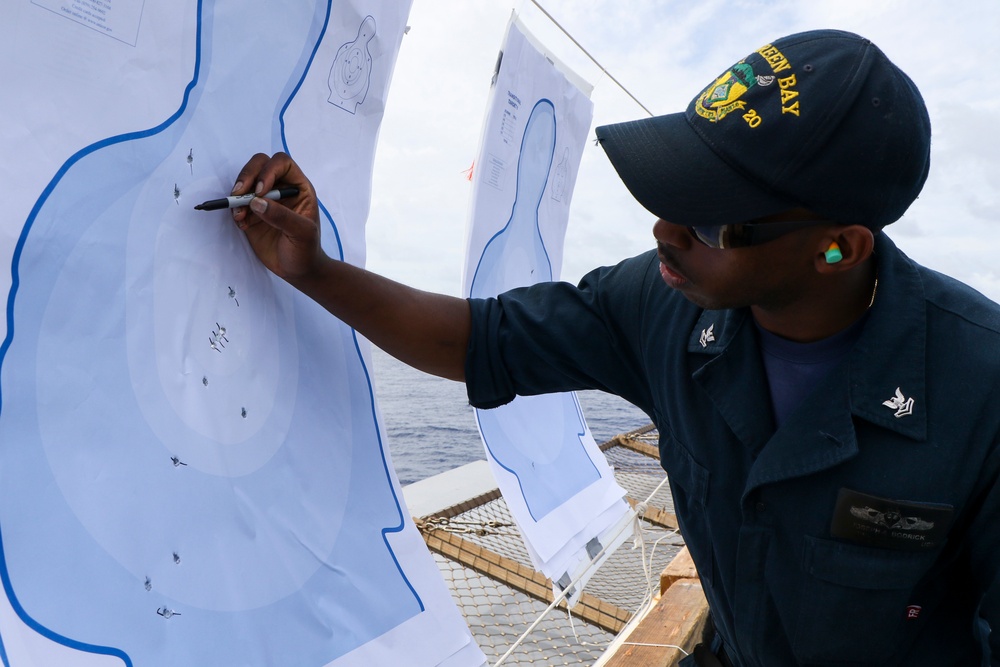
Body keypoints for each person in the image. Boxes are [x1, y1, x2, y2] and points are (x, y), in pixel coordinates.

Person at [228, 29, 999, 666]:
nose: (663, 232)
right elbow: (479, 339)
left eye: (708, 221)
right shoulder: (658, 304)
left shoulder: (982, 387)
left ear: (838, 247)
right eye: (670, 194)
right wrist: (314, 270)